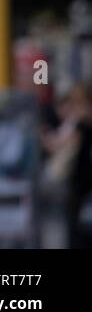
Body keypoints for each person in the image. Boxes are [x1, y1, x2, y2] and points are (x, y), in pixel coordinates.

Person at [44, 82, 92, 248]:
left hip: (81, 183)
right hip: (80, 182)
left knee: (78, 232)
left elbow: (61, 143)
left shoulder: (81, 122)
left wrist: (42, 135)